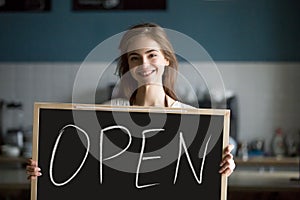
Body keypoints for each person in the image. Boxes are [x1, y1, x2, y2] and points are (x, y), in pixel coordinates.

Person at [26, 22, 235, 179]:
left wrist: (226, 163)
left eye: (152, 55)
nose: (144, 64)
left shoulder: (192, 116)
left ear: (166, 59)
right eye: (135, 57)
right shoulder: (103, 115)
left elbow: (225, 146)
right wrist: (41, 171)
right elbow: (71, 163)